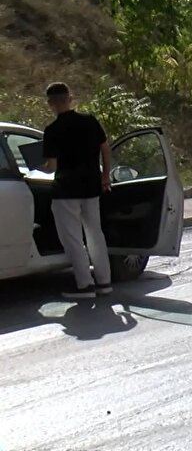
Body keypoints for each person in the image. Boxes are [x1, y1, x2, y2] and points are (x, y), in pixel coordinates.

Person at [42, 82, 112, 299]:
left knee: (72, 239)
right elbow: (105, 148)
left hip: (66, 191)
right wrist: (105, 175)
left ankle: (84, 286)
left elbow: (52, 166)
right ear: (70, 98)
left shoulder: (52, 131)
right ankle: (104, 282)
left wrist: (40, 165)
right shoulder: (90, 121)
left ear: (50, 104)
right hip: (91, 187)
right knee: (95, 235)